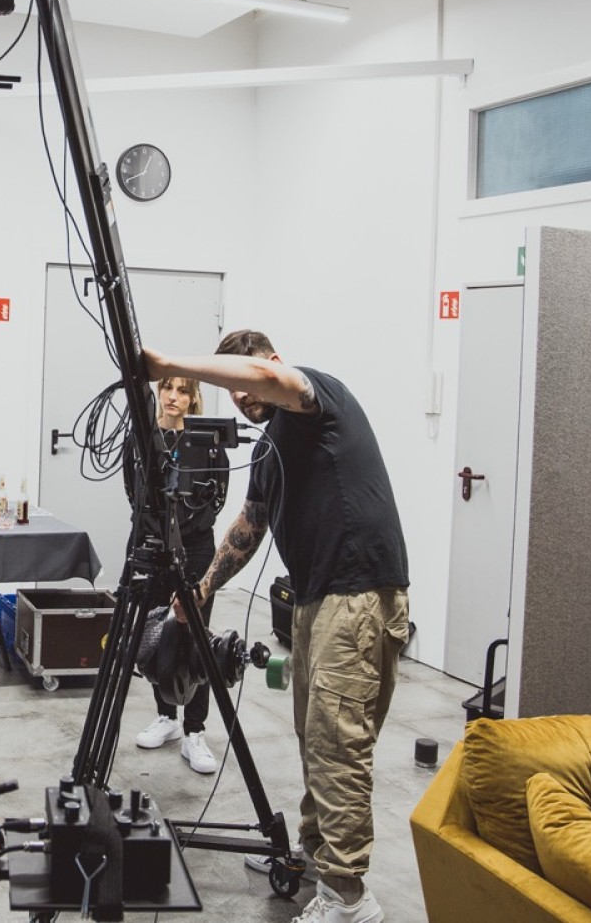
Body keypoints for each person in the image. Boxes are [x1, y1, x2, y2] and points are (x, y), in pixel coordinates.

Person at [145, 331, 409, 923]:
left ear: (271, 363)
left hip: (358, 591)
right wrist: (201, 590)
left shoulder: (319, 397)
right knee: (317, 738)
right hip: (317, 599)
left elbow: (272, 382)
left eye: (244, 381)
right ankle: (319, 858)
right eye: (234, 390)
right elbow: (249, 524)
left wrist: (168, 365)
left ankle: (349, 899)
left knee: (339, 744)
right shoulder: (269, 448)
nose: (241, 396)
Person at [122, 375, 230, 774]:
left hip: (196, 548)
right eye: (168, 388)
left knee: (196, 638)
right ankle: (166, 716)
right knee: (155, 633)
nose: (173, 396)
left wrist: (183, 531)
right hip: (152, 545)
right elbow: (133, 491)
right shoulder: (140, 440)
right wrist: (156, 530)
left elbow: (216, 498)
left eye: (183, 390)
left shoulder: (208, 443)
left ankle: (194, 731)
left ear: (193, 398)